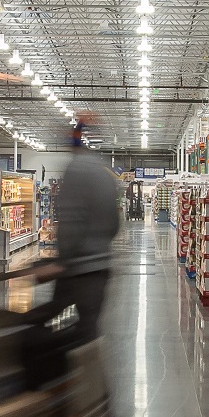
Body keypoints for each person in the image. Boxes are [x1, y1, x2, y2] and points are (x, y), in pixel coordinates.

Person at [30, 114, 121, 342]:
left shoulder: (75, 170)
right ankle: (81, 370)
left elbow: (71, 222)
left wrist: (61, 261)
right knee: (88, 329)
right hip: (101, 268)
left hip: (77, 269)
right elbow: (115, 223)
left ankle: (27, 356)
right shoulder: (106, 173)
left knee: (48, 315)